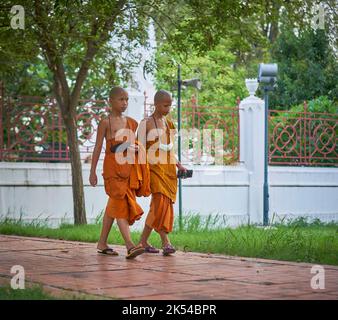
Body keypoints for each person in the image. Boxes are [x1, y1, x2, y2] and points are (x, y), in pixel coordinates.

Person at [89, 86, 149, 259]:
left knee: (114, 205)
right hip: (112, 170)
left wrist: (137, 150)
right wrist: (92, 171)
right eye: (121, 99)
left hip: (127, 170)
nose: (125, 103)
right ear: (111, 101)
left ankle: (102, 243)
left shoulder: (131, 123)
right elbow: (99, 147)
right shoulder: (105, 122)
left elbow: (135, 145)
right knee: (120, 204)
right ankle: (130, 245)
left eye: (127, 99)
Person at [137, 89, 187, 256]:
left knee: (159, 206)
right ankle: (166, 242)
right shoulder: (146, 123)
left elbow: (170, 150)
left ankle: (143, 241)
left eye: (170, 106)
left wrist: (179, 165)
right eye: (165, 105)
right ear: (156, 104)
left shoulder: (168, 124)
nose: (168, 109)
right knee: (160, 205)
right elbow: (138, 148)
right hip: (153, 170)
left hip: (168, 171)